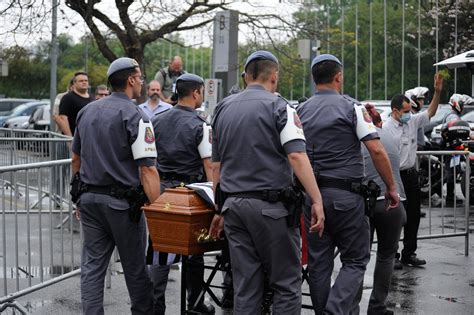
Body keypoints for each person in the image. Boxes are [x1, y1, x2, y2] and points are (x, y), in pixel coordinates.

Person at [209, 50, 325, 314]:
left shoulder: (222, 108)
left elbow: (216, 166)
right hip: (271, 209)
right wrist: (316, 199)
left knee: (246, 285)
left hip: (234, 208)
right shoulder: (279, 106)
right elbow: (296, 154)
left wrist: (219, 209)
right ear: (274, 76)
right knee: (285, 283)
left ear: (245, 76)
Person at [296, 54, 399, 315]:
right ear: (338, 76)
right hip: (346, 197)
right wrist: (391, 187)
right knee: (355, 259)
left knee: (319, 264)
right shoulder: (352, 107)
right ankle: (335, 310)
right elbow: (375, 149)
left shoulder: (300, 111)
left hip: (313, 198)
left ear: (313, 78)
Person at [71, 57, 161, 314]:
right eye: (140, 77)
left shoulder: (86, 111)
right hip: (124, 207)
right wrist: (158, 211)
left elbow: (75, 158)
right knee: (134, 268)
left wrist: (76, 197)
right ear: (131, 80)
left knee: (92, 267)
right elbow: (147, 168)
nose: (142, 82)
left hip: (89, 201)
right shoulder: (137, 115)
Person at [147, 73, 214, 315]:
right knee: (194, 252)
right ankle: (195, 305)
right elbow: (209, 165)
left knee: (159, 252)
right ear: (196, 93)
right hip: (189, 194)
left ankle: (155, 306)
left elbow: (149, 160)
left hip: (162, 192)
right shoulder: (200, 125)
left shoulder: (157, 120)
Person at [383, 74, 443, 268]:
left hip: (410, 175)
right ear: (395, 111)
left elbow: (431, 112)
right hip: (394, 176)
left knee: (413, 217)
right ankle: (392, 255)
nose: (410, 114)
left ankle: (409, 253)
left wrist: (438, 92)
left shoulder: (412, 122)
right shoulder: (386, 129)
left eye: (410, 110)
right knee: (394, 218)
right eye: (406, 111)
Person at [363, 104, 407, 315]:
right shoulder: (387, 136)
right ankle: (377, 307)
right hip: (392, 203)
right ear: (379, 122)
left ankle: (350, 307)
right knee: (386, 256)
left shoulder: (358, 140)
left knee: (357, 259)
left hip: (366, 203)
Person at [442, 93, 474, 206]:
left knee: (453, 171)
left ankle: (451, 196)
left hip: (452, 148)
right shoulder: (453, 116)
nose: (463, 107)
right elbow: (460, 129)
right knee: (451, 172)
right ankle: (450, 198)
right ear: (456, 104)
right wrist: (471, 134)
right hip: (451, 149)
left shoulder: (453, 115)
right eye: (462, 104)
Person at [57, 72, 94, 136]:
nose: (84, 82)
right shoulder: (68, 97)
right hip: (75, 138)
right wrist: (69, 139)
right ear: (74, 83)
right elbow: (63, 118)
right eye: (81, 81)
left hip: (89, 137)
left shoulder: (92, 98)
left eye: (86, 80)